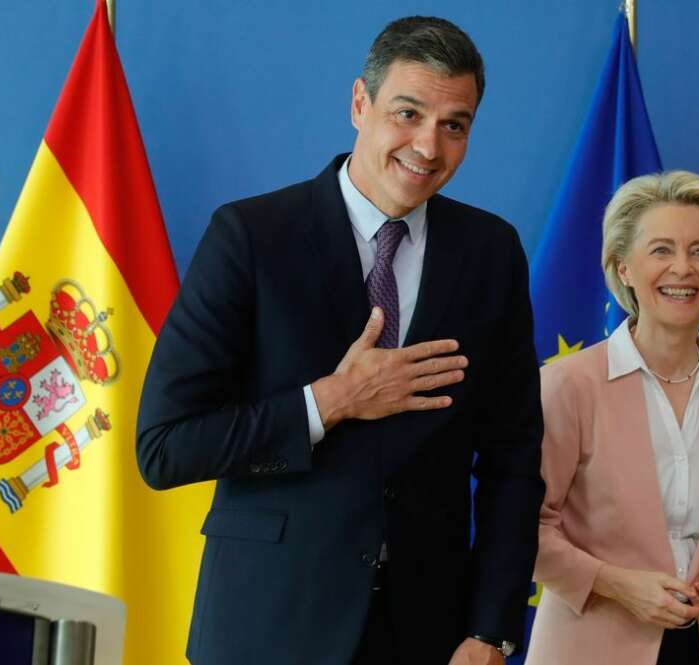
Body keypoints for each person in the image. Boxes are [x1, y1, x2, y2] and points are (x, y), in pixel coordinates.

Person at [136, 16, 543, 665]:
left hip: (428, 633)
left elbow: (514, 462)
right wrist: (328, 402)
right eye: (407, 113)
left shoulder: (491, 253)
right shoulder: (251, 236)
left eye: (454, 125)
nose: (428, 147)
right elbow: (165, 446)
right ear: (360, 103)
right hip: (269, 626)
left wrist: (491, 627)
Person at [525, 171, 699, 665]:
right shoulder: (568, 384)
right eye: (661, 250)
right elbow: (523, 527)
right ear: (624, 268)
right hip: (586, 646)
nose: (683, 268)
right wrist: (615, 585)